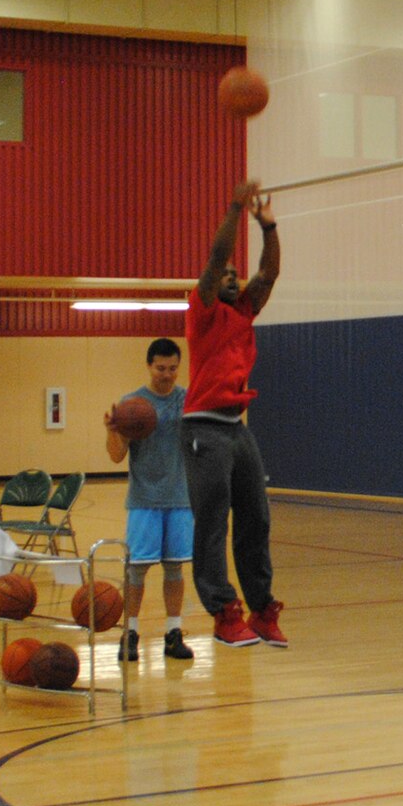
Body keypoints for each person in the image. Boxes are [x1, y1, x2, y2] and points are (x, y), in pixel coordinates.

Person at [184, 179, 285, 649]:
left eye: (234, 273)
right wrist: (234, 208)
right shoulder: (202, 310)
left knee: (256, 518)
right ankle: (224, 612)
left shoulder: (244, 311)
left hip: (236, 427)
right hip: (204, 425)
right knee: (212, 521)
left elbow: (268, 275)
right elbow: (215, 256)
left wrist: (268, 227)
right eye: (224, 273)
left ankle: (262, 610)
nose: (231, 276)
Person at [104, 338, 197, 663]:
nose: (167, 374)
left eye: (173, 368)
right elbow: (117, 456)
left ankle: (173, 633)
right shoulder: (131, 404)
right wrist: (112, 430)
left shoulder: (188, 400)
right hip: (144, 499)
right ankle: (129, 633)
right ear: (149, 365)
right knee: (137, 571)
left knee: (175, 569)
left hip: (180, 498)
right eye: (161, 368)